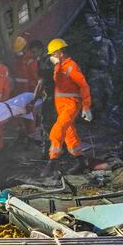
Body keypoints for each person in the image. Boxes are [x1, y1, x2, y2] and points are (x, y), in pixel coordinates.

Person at [41, 39, 92, 176]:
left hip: (71, 104)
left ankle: (52, 162)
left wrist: (86, 106)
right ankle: (80, 161)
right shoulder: (59, 67)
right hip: (61, 105)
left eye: (53, 53)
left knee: (57, 130)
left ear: (60, 52)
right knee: (70, 133)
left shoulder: (71, 66)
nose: (51, 56)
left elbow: (84, 86)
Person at [86, 27, 117, 120]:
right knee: (94, 92)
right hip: (93, 71)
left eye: (98, 35)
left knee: (109, 90)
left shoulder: (107, 43)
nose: (96, 37)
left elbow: (113, 55)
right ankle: (98, 112)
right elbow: (86, 59)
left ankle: (109, 109)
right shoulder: (90, 45)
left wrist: (112, 65)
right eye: (95, 36)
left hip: (105, 71)